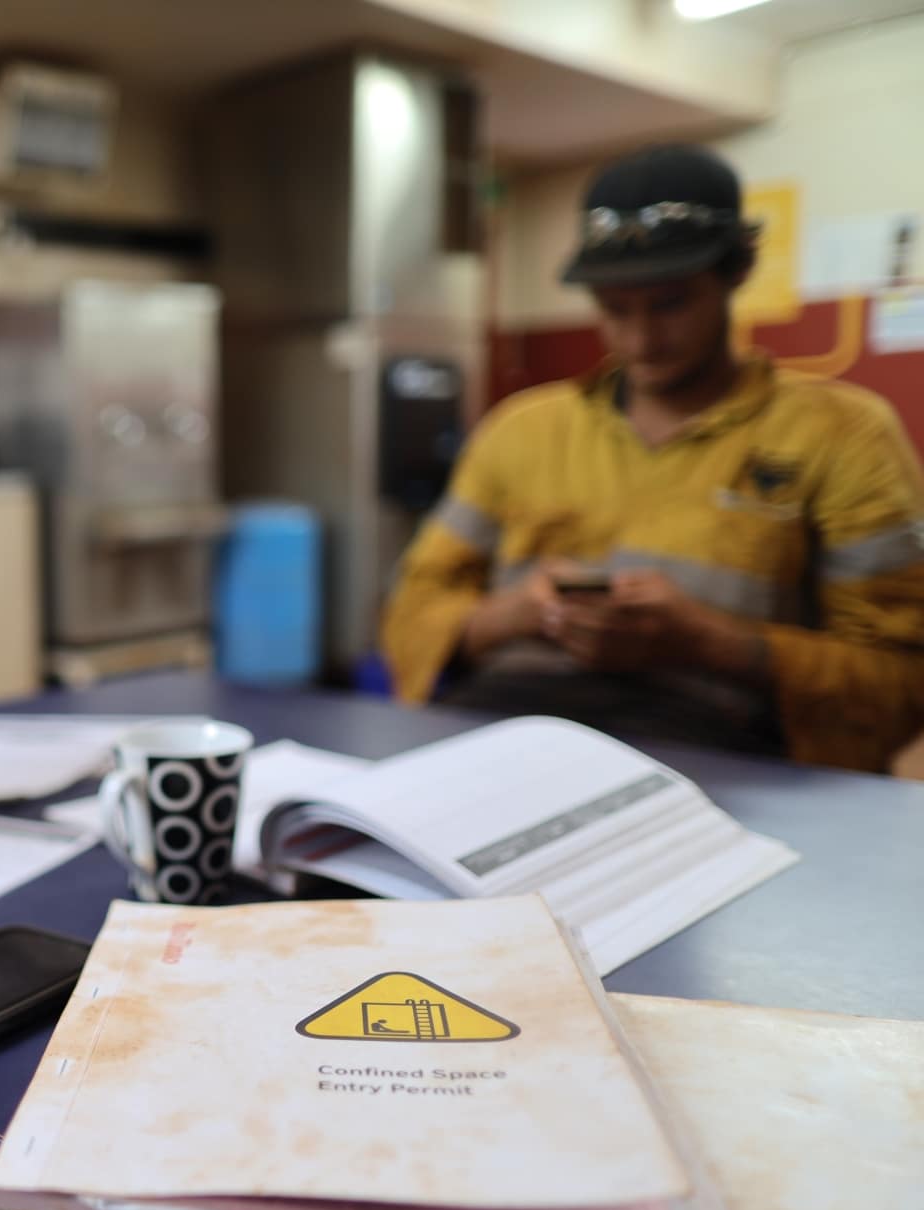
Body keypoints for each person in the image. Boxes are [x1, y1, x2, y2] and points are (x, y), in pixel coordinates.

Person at [382, 144, 924, 770]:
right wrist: (517, 615)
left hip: (712, 748)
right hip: (505, 726)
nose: (639, 340)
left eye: (671, 303)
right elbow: (410, 615)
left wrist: (708, 643)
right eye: (614, 310)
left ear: (737, 270)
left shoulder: (842, 435)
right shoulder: (520, 430)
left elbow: (902, 680)